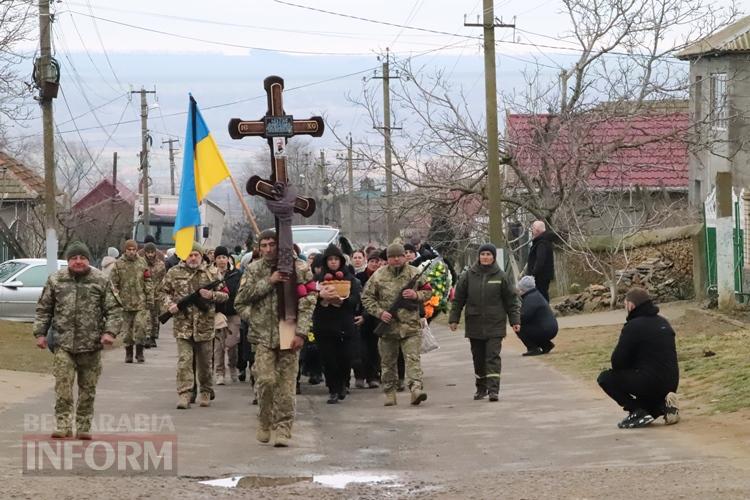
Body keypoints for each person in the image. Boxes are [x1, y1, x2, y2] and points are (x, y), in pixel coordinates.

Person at [234, 229, 316, 447]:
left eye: (273, 244)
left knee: (286, 386)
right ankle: (264, 419)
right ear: (259, 248)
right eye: (264, 245)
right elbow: (240, 301)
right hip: (262, 335)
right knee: (266, 380)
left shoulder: (299, 268)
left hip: (289, 331)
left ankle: (283, 428)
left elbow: (308, 301)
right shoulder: (253, 269)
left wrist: (301, 332)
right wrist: (268, 283)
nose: (269, 249)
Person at [33, 241, 122, 439]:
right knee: (63, 388)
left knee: (87, 390)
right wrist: (40, 334)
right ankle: (63, 424)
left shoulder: (100, 280)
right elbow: (44, 309)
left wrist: (110, 333)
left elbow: (115, 310)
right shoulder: (56, 280)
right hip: (63, 344)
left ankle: (83, 426)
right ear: (68, 261)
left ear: (88, 260)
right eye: (74, 258)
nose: (78, 262)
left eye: (82, 258)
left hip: (91, 346)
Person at [597, 287, 680, 429]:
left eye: (625, 305)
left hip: (649, 382)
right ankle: (663, 406)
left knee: (606, 378)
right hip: (671, 383)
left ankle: (636, 411)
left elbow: (617, 362)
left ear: (631, 305)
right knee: (649, 407)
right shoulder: (663, 322)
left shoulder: (633, 327)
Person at [361, 243, 432, 407]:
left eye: (399, 256)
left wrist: (416, 294)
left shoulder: (414, 273)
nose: (396, 259)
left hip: (410, 326)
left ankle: (416, 388)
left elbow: (428, 291)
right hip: (388, 328)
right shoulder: (378, 276)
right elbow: (366, 297)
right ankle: (390, 392)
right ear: (387, 259)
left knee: (413, 359)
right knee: (387, 362)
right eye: (392, 257)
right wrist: (379, 313)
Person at [449, 243, 520, 402]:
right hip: (474, 323)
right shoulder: (468, 276)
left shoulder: (501, 276)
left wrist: (515, 320)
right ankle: (481, 388)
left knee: (492, 356)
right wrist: (454, 319)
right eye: (483, 254)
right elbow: (458, 299)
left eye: (489, 254)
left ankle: (494, 390)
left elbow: (511, 301)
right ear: (478, 257)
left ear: (493, 257)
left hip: (495, 324)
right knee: (478, 357)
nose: (485, 257)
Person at [161, 243, 227, 409]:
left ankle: (205, 391)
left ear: (201, 256)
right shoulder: (174, 272)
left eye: (196, 254)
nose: (193, 258)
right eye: (189, 255)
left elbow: (226, 295)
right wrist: (170, 305)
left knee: (205, 363)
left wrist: (211, 295)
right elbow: (163, 292)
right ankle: (185, 393)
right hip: (183, 326)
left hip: (204, 325)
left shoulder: (211, 273)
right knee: (185, 361)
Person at [312, 244, 362, 404]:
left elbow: (355, 300)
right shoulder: (318, 281)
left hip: (344, 325)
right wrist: (323, 299)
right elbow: (310, 300)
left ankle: (343, 384)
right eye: (330, 259)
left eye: (336, 259)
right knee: (329, 359)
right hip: (324, 325)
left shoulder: (350, 279)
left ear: (341, 261)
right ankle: (333, 389)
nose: (333, 262)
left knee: (345, 357)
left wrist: (341, 301)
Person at [110, 240, 153, 364]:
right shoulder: (118, 264)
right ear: (125, 250)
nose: (131, 252)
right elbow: (113, 284)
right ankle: (129, 353)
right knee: (127, 332)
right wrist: (115, 300)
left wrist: (149, 298)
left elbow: (148, 280)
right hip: (125, 303)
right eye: (129, 249)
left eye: (134, 249)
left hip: (140, 302)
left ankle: (139, 352)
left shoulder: (142, 262)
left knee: (141, 327)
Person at [212, 246, 242, 385]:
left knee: (232, 344)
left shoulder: (236, 274)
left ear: (228, 258)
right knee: (219, 345)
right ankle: (219, 373)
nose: (221, 260)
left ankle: (233, 368)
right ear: (215, 259)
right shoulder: (211, 273)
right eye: (219, 258)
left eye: (224, 257)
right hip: (217, 313)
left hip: (233, 313)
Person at [516, 275, 558, 356]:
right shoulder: (536, 294)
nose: (519, 291)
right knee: (529, 327)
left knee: (518, 326)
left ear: (523, 289)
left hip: (545, 330)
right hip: (550, 328)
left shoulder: (530, 299)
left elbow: (524, 317)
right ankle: (546, 345)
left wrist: (514, 317)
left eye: (520, 289)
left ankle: (533, 348)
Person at [143, 242, 166, 348]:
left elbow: (163, 278)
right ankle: (146, 337)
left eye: (152, 252)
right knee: (146, 316)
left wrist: (161, 291)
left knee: (155, 317)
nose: (150, 255)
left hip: (157, 293)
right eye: (148, 252)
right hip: (145, 293)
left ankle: (153, 336)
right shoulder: (141, 263)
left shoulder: (160, 264)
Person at [527, 220, 555, 302]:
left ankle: (545, 312)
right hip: (543, 276)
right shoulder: (545, 241)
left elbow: (540, 260)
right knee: (542, 295)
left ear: (537, 230)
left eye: (533, 229)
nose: (532, 231)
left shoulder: (541, 243)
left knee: (541, 296)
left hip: (540, 276)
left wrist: (533, 274)